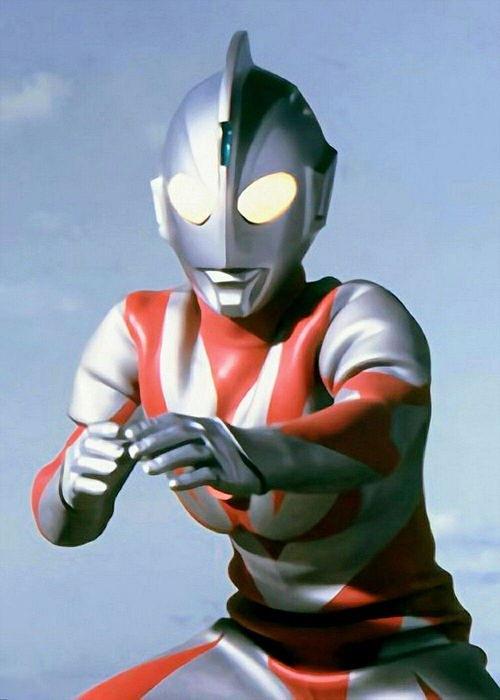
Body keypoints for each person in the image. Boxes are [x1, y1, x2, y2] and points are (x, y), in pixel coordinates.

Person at [32, 31, 500, 699]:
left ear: (316, 196)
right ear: (164, 205)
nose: (226, 239)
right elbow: (63, 527)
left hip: (402, 654)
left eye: (263, 201)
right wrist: (75, 485)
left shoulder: (353, 318)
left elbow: (379, 431)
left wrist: (250, 452)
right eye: (197, 203)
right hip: (253, 654)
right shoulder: (138, 332)